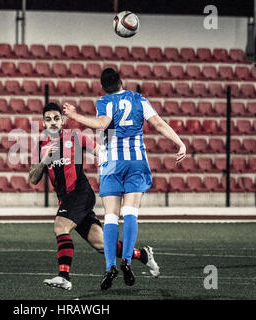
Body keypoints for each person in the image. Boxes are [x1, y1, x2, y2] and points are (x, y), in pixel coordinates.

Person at [63, 68, 186, 290]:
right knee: (130, 212)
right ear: (122, 81)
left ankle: (111, 266)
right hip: (136, 161)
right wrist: (180, 143)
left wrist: (74, 115)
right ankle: (127, 260)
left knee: (110, 216)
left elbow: (102, 124)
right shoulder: (139, 99)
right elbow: (158, 123)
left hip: (111, 162)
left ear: (103, 87)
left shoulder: (105, 101)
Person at [29, 102, 158, 291]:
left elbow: (102, 152)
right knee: (103, 245)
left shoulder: (75, 137)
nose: (53, 122)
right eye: (48, 119)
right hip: (67, 199)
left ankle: (64, 276)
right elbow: (33, 178)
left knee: (60, 226)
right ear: (43, 123)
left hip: (80, 193)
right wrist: (43, 160)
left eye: (56, 118)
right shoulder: (40, 145)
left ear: (63, 120)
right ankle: (143, 255)